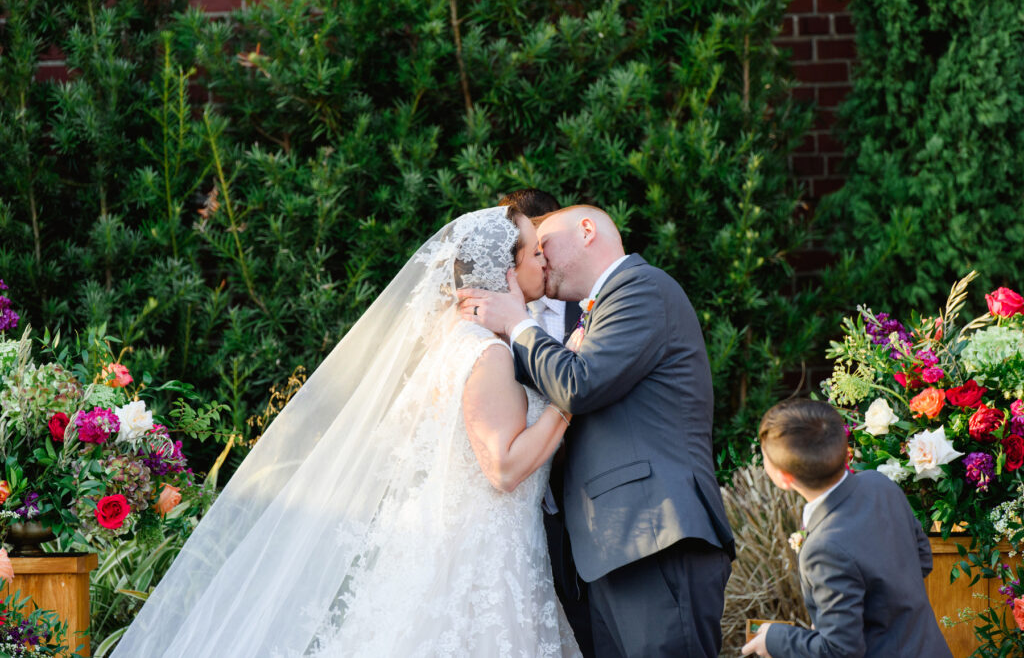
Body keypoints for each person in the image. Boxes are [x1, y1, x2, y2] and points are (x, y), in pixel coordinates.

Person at [111, 206, 582, 657]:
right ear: (506, 267)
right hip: (483, 564)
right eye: (534, 252)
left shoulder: (452, 341)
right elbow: (502, 467)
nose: (544, 259)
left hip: (459, 549)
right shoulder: (487, 354)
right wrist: (566, 402)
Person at [459, 205, 735, 658]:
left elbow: (578, 384)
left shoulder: (643, 288)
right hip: (611, 548)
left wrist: (516, 323)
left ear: (587, 231)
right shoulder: (602, 308)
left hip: (655, 536)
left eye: (544, 243)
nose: (541, 258)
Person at [742, 398, 952, 658]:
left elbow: (840, 651)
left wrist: (775, 638)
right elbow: (922, 559)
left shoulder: (823, 548)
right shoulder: (879, 484)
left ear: (784, 478)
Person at [498, 189, 593, 657]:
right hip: (522, 520)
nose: (543, 256)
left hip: (596, 515)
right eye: (533, 249)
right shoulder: (487, 331)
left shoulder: (599, 310)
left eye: (544, 245)